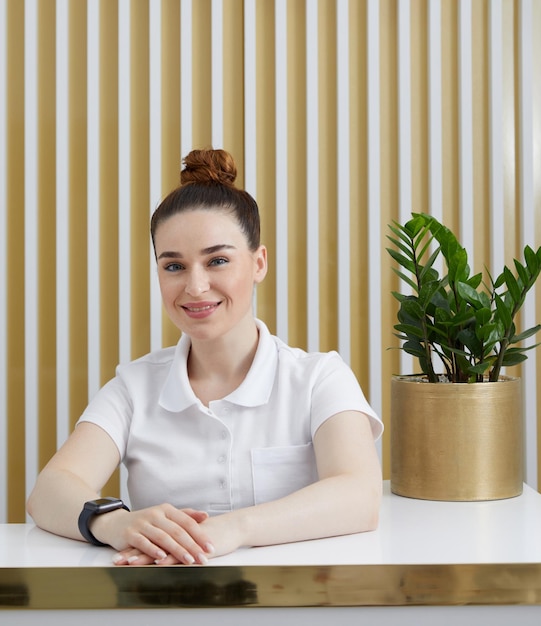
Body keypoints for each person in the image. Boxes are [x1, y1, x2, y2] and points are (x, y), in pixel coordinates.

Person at [27, 148, 383, 566]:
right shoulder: (134, 386)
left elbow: (360, 495)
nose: (195, 287)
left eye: (217, 260)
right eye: (173, 266)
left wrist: (233, 528)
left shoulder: (320, 377)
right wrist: (116, 524)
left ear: (258, 263)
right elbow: (49, 490)